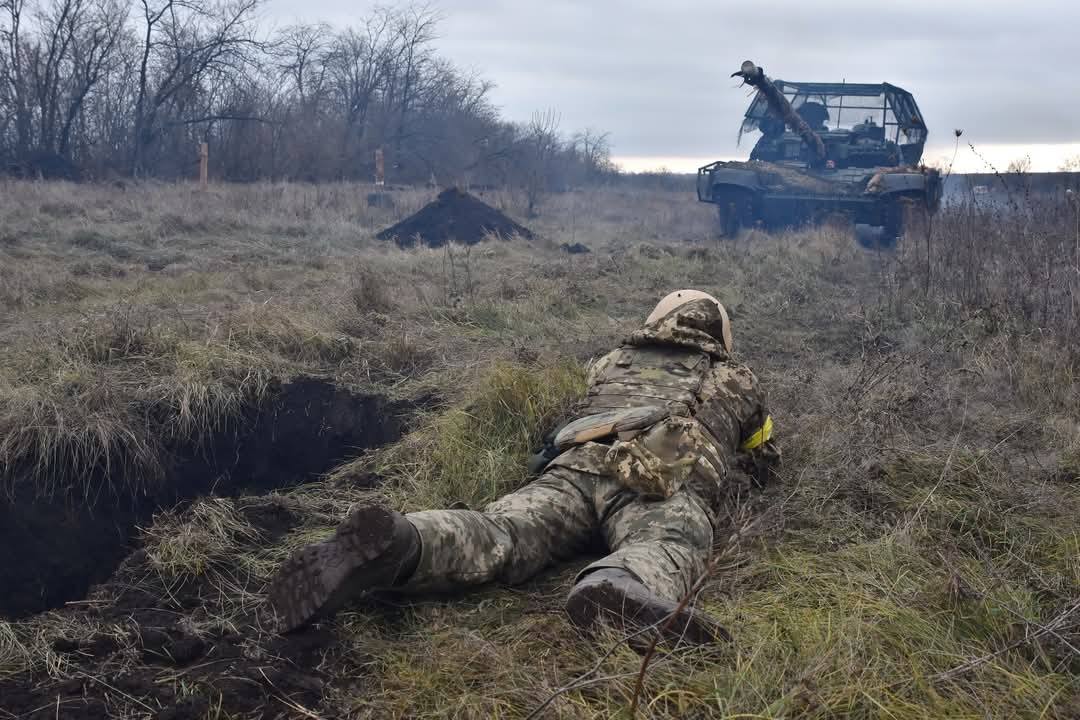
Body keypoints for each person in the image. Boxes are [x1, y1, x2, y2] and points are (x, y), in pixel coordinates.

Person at [267, 290, 779, 646]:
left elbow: (576, 415)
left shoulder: (610, 361)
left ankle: (406, 543)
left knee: (503, 531)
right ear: (720, 335)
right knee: (670, 544)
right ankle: (619, 584)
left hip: (576, 466)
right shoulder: (736, 377)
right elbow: (762, 458)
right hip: (661, 485)